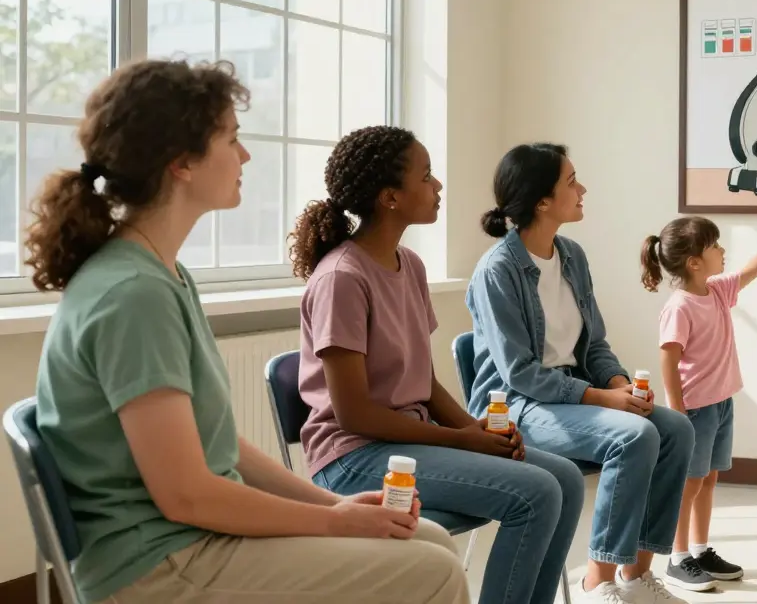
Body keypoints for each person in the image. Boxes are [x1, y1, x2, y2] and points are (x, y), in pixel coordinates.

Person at [29, 60, 467, 604]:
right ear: (182, 162)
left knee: (427, 542)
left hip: (186, 539)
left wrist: (334, 506)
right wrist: (335, 524)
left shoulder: (163, 273)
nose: (244, 155)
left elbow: (218, 447)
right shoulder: (132, 294)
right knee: (433, 572)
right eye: (231, 139)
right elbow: (187, 496)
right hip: (159, 565)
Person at [290, 126, 584, 604]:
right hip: (353, 459)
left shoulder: (410, 265)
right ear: (389, 197)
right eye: (426, 176)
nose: (438, 185)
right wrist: (461, 439)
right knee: (536, 493)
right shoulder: (343, 279)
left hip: (407, 441)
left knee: (565, 479)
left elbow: (421, 379)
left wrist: (477, 431)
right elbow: (354, 415)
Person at [466, 142, 697, 604]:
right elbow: (520, 373)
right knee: (633, 437)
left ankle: (635, 577)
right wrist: (601, 399)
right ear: (542, 201)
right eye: (571, 181)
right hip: (515, 407)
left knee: (674, 428)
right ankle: (598, 580)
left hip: (570, 395)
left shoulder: (571, 255)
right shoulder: (498, 270)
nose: (583, 188)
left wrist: (617, 384)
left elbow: (594, 345)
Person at [639, 214, 757, 591]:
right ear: (694, 261)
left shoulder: (715, 290)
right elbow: (668, 358)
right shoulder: (679, 306)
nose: (722, 250)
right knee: (690, 484)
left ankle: (699, 550)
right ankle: (677, 559)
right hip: (695, 408)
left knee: (708, 480)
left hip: (721, 403)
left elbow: (750, 271)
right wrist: (677, 411)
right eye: (714, 246)